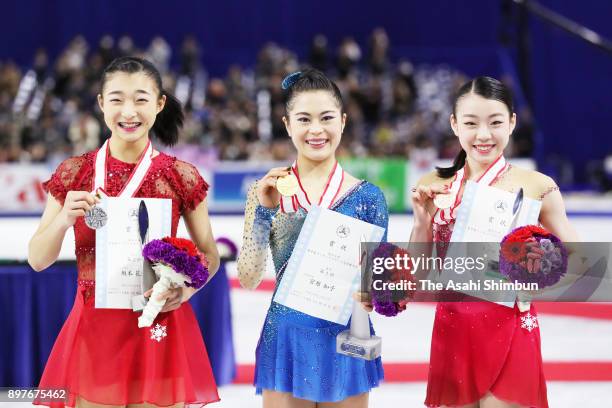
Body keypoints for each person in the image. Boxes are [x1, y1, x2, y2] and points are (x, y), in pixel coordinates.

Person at [28, 56, 220, 407]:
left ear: (159, 104)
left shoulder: (181, 176)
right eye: (116, 99)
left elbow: (210, 253)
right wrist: (62, 220)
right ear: (101, 103)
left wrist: (189, 289)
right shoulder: (74, 173)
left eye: (141, 99)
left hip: (158, 327)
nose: (128, 111)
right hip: (94, 331)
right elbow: (38, 259)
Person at [409, 76, 580, 408]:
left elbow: (579, 260)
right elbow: (417, 271)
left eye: (495, 122)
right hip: (453, 328)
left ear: (512, 122)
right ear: (454, 124)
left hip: (512, 326)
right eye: (471, 123)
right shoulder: (434, 185)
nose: (483, 135)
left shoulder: (538, 186)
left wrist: (538, 262)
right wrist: (421, 222)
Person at [237, 69, 387, 407]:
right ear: (288, 124)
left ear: (343, 122)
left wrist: (380, 291)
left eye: (326, 118)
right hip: (286, 339)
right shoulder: (267, 191)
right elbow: (248, 277)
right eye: (304, 119)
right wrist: (262, 211)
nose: (316, 130)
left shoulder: (369, 198)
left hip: (347, 338)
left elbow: (378, 288)